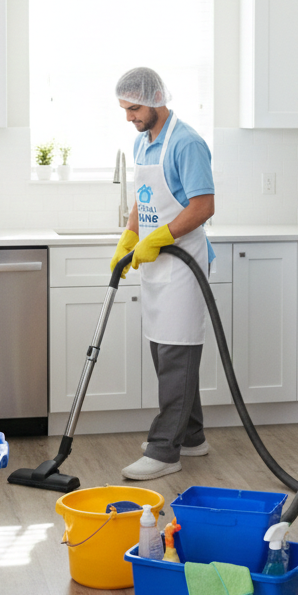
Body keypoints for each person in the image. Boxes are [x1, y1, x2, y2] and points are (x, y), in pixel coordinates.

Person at [110, 67, 215, 481]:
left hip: (183, 265)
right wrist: (131, 234)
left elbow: (202, 207)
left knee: (177, 354)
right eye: (125, 109)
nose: (129, 117)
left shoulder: (185, 143)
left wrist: (159, 238)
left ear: (155, 99)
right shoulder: (144, 143)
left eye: (134, 108)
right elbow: (145, 197)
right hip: (158, 265)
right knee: (164, 350)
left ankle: (164, 449)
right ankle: (190, 435)